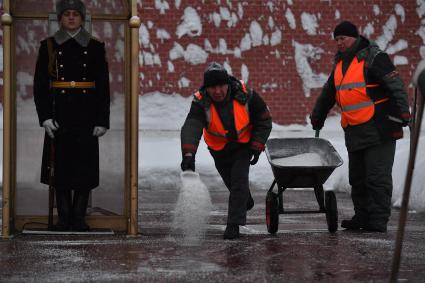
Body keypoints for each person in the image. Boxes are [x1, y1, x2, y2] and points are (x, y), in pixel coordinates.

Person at [310, 21, 410, 232]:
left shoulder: (374, 57)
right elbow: (329, 93)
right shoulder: (339, 65)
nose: (340, 43)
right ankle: (362, 216)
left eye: (343, 38)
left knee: (377, 177)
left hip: (379, 127)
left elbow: (395, 85)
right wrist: (318, 116)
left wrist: (403, 112)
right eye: (336, 39)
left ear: (354, 38)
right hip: (355, 129)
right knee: (358, 178)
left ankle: (378, 220)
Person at [33, 0, 110, 231]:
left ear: (82, 17)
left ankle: (79, 217)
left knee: (84, 169)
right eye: (66, 14)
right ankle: (64, 217)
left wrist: (102, 120)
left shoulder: (95, 47)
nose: (71, 18)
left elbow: (103, 87)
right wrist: (45, 116)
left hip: (86, 115)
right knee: (60, 168)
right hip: (60, 115)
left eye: (75, 14)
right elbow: (40, 86)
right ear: (60, 18)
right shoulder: (48, 46)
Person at [180, 62, 272, 239]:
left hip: (243, 146)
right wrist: (188, 154)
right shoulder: (201, 102)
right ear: (207, 88)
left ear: (228, 84)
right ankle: (245, 201)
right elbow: (192, 126)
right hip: (219, 149)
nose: (217, 92)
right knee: (233, 184)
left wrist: (256, 145)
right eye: (212, 88)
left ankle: (233, 224)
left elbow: (264, 120)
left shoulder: (246, 95)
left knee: (238, 181)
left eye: (221, 86)